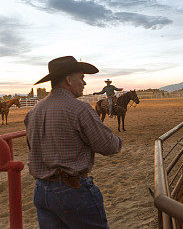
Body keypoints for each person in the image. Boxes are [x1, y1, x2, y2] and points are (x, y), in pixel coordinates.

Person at [25, 56, 123, 228]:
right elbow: (108, 146)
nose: (84, 83)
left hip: (42, 190)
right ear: (69, 80)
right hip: (72, 191)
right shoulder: (80, 109)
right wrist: (117, 141)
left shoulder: (34, 111)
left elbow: (31, 146)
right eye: (82, 78)